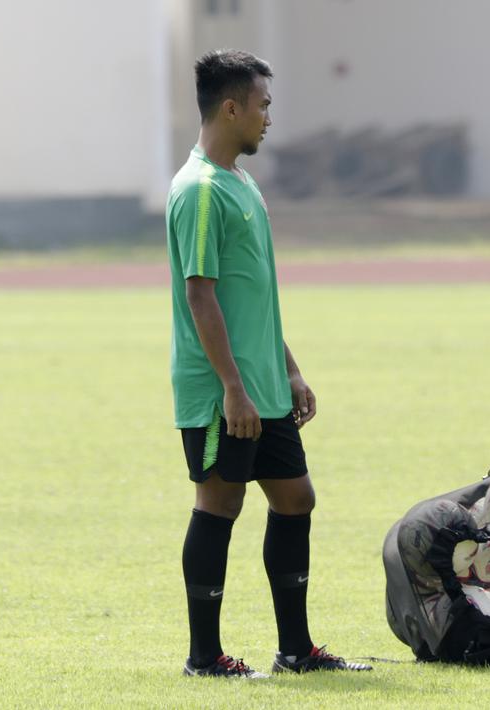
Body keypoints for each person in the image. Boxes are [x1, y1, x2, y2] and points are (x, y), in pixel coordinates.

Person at [167, 49, 370, 678]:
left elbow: (253, 295)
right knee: (219, 504)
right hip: (222, 392)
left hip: (262, 386)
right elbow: (200, 294)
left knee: (295, 500)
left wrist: (288, 368)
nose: (268, 118)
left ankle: (295, 651)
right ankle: (205, 658)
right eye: (263, 105)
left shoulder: (241, 183)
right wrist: (232, 387)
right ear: (231, 108)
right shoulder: (200, 190)